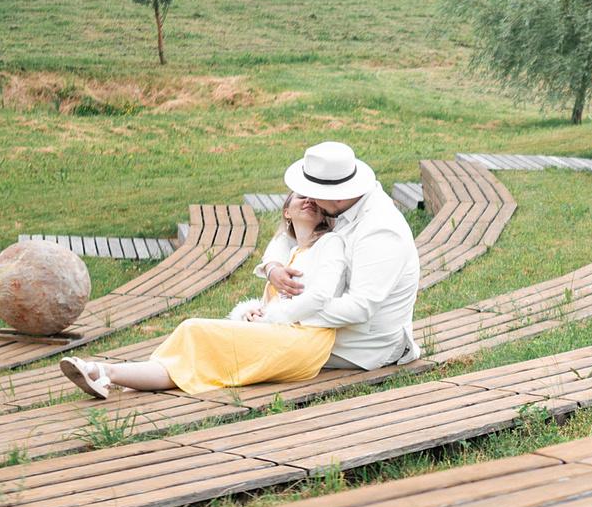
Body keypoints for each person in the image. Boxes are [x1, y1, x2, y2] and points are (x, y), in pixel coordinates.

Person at [61, 140, 421, 397]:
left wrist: (279, 316)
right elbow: (291, 236)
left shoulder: (379, 230)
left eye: (310, 193)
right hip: (310, 328)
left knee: (205, 341)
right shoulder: (339, 211)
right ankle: (106, 373)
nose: (306, 198)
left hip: (358, 346)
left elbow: (359, 309)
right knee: (203, 341)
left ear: (335, 194)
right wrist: (273, 268)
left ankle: (107, 372)